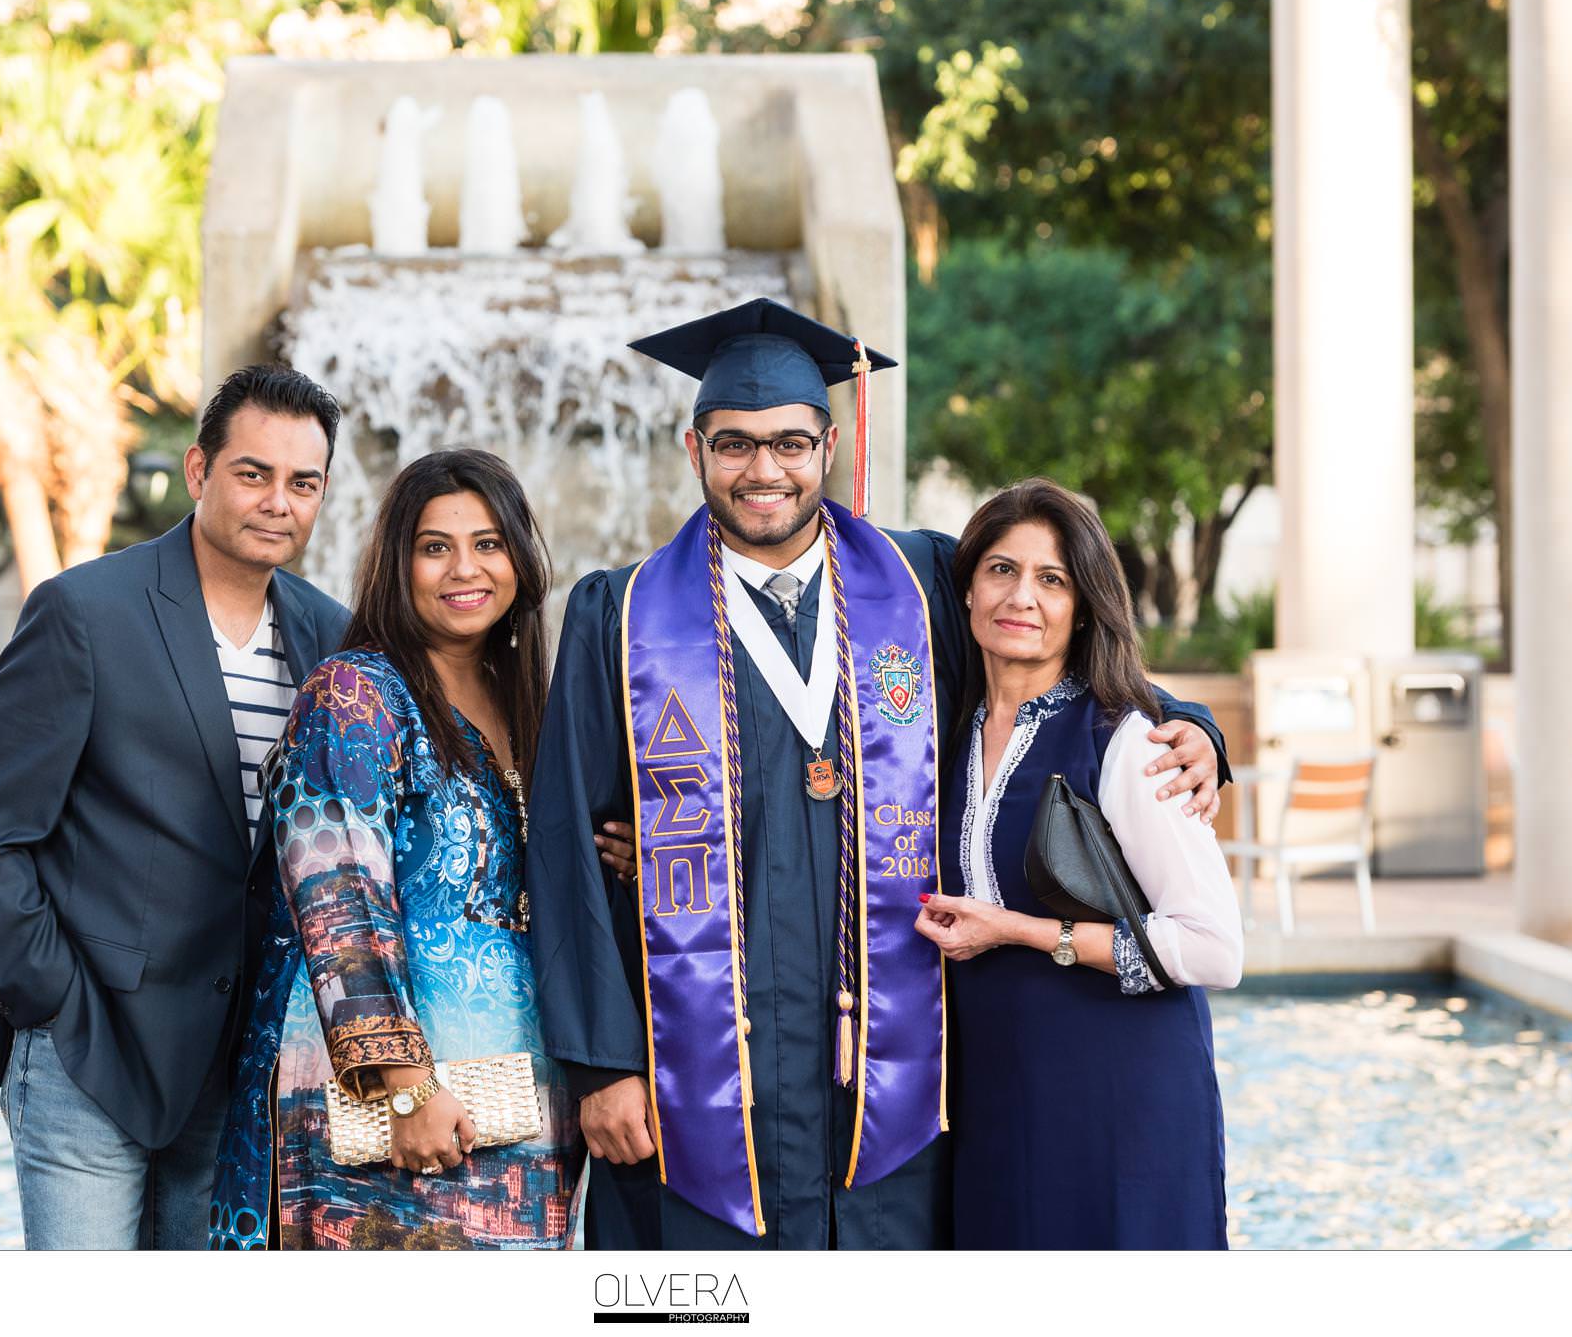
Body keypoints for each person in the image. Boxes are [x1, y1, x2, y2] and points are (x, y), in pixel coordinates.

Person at [526, 299, 1229, 1251]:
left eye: (788, 442)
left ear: (828, 445)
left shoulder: (920, 581)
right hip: (698, 1082)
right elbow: (569, 843)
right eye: (734, 444)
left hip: (889, 1088)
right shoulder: (620, 615)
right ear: (695, 451)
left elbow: (1060, 646)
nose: (762, 469)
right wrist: (602, 1066)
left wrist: (1191, 726)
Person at [0, 363, 347, 1250]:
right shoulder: (85, 613)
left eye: (302, 482)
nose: (279, 501)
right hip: (94, 1055)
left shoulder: (332, 637)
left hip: (242, 1067)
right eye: (253, 473)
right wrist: (51, 997)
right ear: (199, 471)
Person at [210, 449, 585, 1248]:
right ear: (397, 562)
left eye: (488, 543)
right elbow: (335, 889)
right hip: (386, 1108)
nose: (466, 568)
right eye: (435, 545)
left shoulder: (530, 706)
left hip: (517, 1096)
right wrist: (405, 1088)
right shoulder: (356, 694)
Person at [914, 479, 1244, 1250]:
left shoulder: (1130, 742)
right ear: (966, 590)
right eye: (1001, 569)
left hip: (1123, 1105)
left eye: (1052, 578)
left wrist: (1024, 931)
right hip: (996, 1103)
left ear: (1084, 605)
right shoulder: (941, 735)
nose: (1021, 595)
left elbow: (1213, 946)